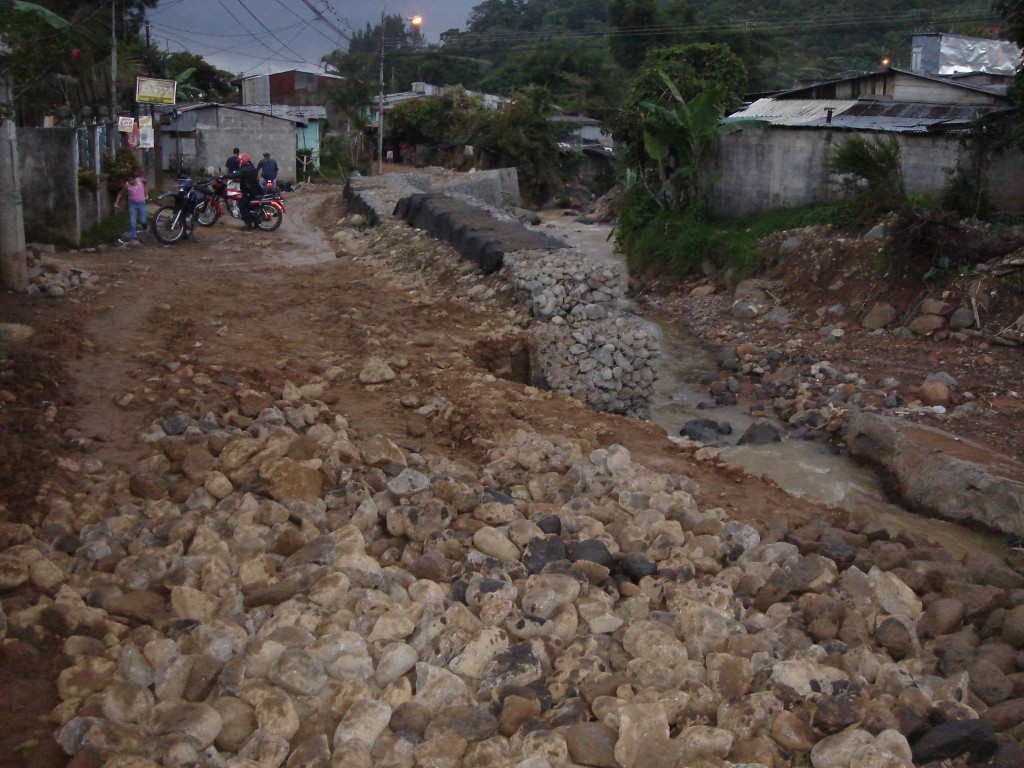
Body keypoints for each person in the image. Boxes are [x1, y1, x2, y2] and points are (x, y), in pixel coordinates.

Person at [222, 153, 261, 230]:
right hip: (254, 189)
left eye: (240, 161)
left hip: (249, 190)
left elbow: (237, 174)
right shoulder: (251, 167)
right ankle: (253, 220)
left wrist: (225, 176)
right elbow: (244, 177)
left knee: (241, 204)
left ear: (243, 161)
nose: (239, 162)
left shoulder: (245, 169)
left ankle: (248, 224)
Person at [113, 168, 148, 241]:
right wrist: (117, 203)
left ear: (135, 178)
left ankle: (145, 227)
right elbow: (121, 194)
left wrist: (145, 192)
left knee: (143, 220)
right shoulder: (127, 185)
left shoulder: (140, 181)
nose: (131, 182)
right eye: (129, 180)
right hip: (133, 205)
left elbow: (146, 182)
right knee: (132, 220)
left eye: (132, 180)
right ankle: (133, 235)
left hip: (141, 204)